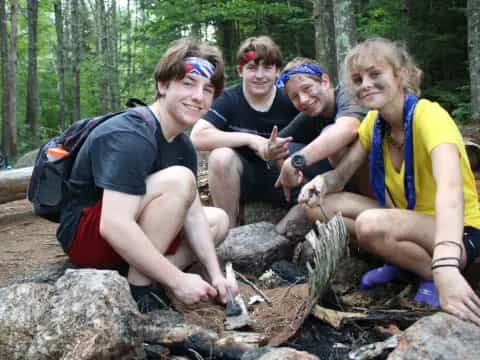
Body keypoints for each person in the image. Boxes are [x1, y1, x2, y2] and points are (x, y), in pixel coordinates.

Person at [298, 37, 480, 325]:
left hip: (458, 230)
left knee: (370, 223)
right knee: (316, 207)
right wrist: (321, 181)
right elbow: (342, 175)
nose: (365, 84)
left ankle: (433, 275)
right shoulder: (375, 123)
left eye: (375, 74)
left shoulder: (429, 116)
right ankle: (400, 261)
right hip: (407, 216)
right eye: (357, 79)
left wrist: (446, 263)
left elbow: (450, 191)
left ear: (401, 75)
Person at [56, 38, 237, 313]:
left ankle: (139, 272)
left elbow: (194, 215)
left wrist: (216, 276)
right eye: (188, 83)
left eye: (208, 89)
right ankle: (141, 291)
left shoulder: (182, 144)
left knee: (218, 221)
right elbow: (113, 224)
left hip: (126, 226)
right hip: (87, 234)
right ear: (162, 85)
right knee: (180, 180)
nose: (199, 96)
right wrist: (177, 280)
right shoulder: (130, 134)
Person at [190, 36, 298, 228]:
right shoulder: (229, 99)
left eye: (267, 68)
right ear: (240, 71)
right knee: (221, 156)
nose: (259, 75)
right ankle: (229, 234)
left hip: (285, 176)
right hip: (242, 178)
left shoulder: (292, 100)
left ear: (277, 71)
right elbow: (197, 136)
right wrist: (252, 140)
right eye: (252, 67)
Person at [273, 58, 367, 232]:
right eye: (294, 97)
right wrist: (270, 151)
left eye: (307, 88)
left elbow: (348, 129)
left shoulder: (348, 93)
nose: (303, 100)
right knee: (310, 208)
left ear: (325, 81)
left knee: (332, 136)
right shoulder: (311, 114)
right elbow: (277, 143)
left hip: (381, 180)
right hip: (344, 183)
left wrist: (295, 161)